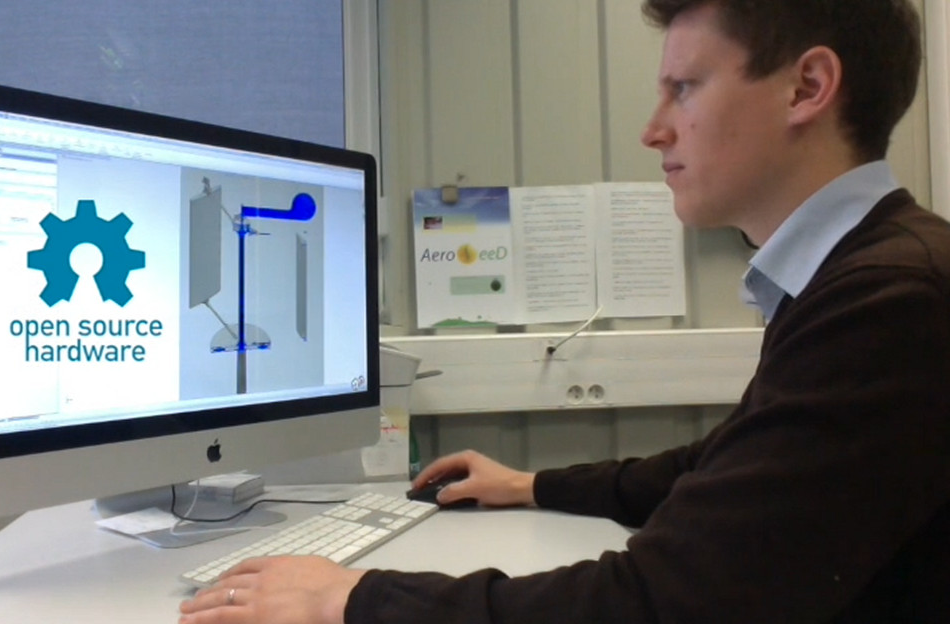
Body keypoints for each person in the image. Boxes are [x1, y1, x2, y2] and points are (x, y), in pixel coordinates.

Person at [178, 0, 950, 622]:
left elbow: (666, 602)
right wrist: (535, 485)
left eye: (684, 88)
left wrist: (354, 600)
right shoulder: (864, 274)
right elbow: (721, 470)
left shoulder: (892, 302)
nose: (653, 129)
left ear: (807, 87)